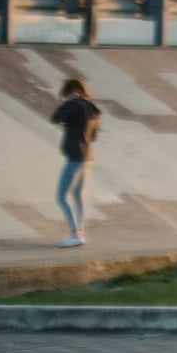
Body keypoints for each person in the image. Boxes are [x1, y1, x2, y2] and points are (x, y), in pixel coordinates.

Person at [49, 77, 100, 247]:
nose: (65, 99)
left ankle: (74, 234)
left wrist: (70, 103)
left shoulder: (75, 105)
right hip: (87, 158)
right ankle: (81, 232)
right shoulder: (92, 109)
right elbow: (93, 136)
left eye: (66, 95)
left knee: (61, 197)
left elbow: (55, 117)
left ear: (73, 92)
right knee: (78, 196)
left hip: (75, 158)